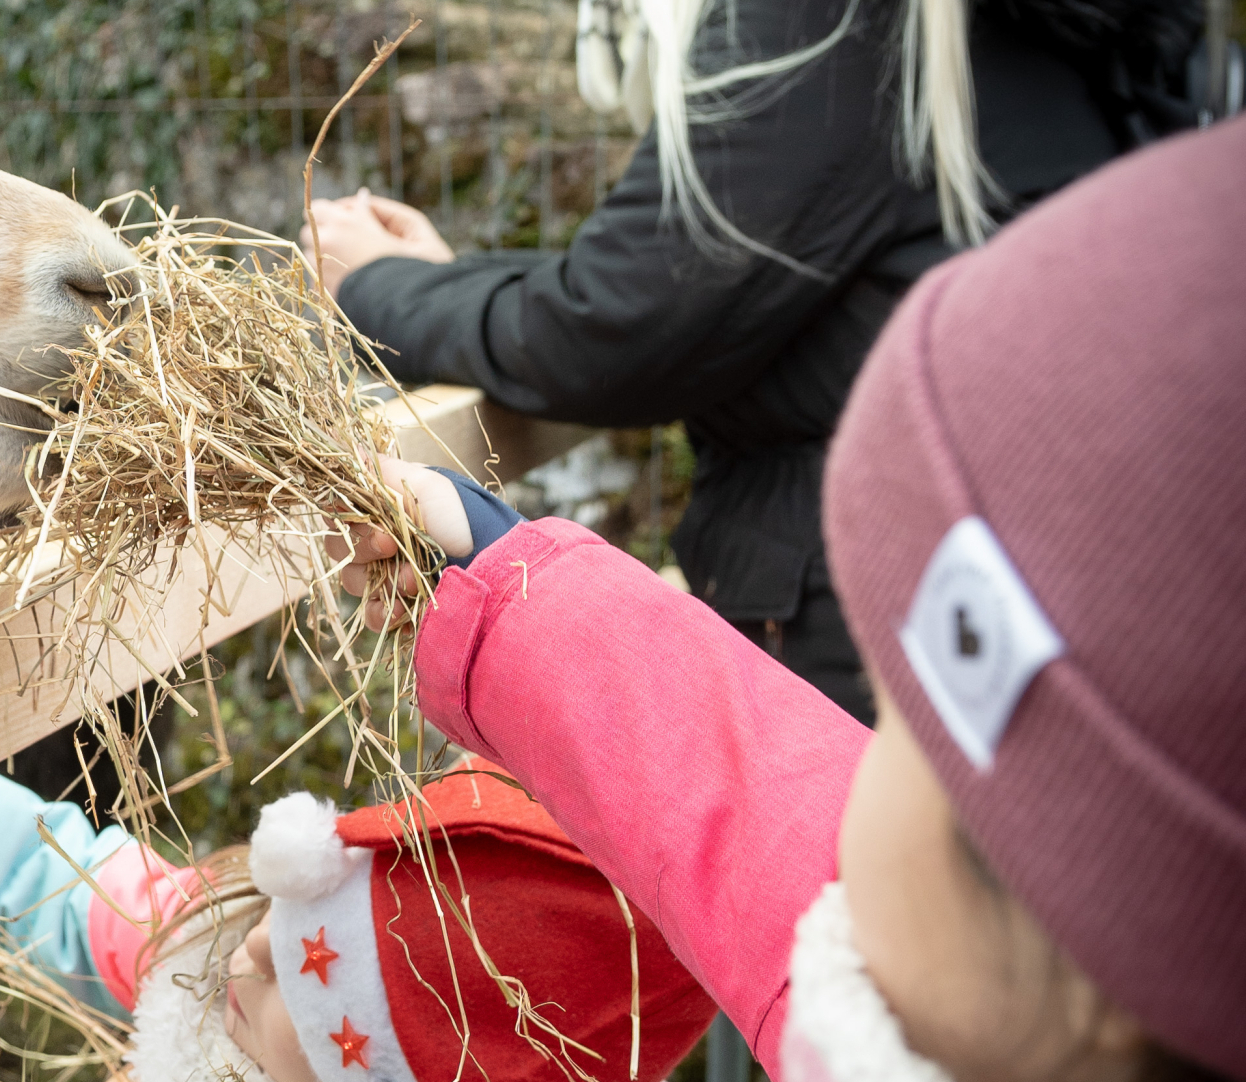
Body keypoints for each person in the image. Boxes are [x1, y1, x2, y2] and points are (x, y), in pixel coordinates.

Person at [326, 118, 1246, 1082]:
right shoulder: (981, 1007)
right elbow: (762, 814)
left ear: (1092, 951)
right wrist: (497, 567)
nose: (859, 756)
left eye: (906, 726)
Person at [302, 0, 1211, 725]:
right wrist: (453, 283)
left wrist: (375, 285)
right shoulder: (1071, 40)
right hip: (1026, 604)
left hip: (867, 625)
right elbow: (704, 281)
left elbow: (620, 327)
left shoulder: (837, 28)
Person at [0, 760, 718, 1082]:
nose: (252, 948)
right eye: (286, 919)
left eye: (299, 978)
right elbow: (49, 878)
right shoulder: (210, 949)